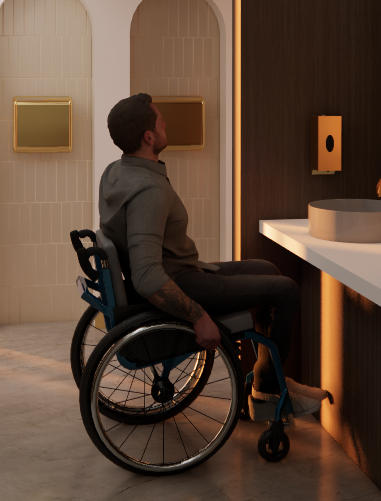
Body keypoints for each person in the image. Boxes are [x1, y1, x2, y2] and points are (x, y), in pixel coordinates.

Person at [98, 92, 329, 416]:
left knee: (268, 269)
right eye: (159, 119)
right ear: (149, 137)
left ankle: (265, 380)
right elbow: (149, 276)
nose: (165, 123)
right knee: (287, 290)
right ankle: (270, 389)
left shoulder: (115, 171)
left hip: (182, 270)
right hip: (179, 282)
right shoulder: (148, 191)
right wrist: (198, 316)